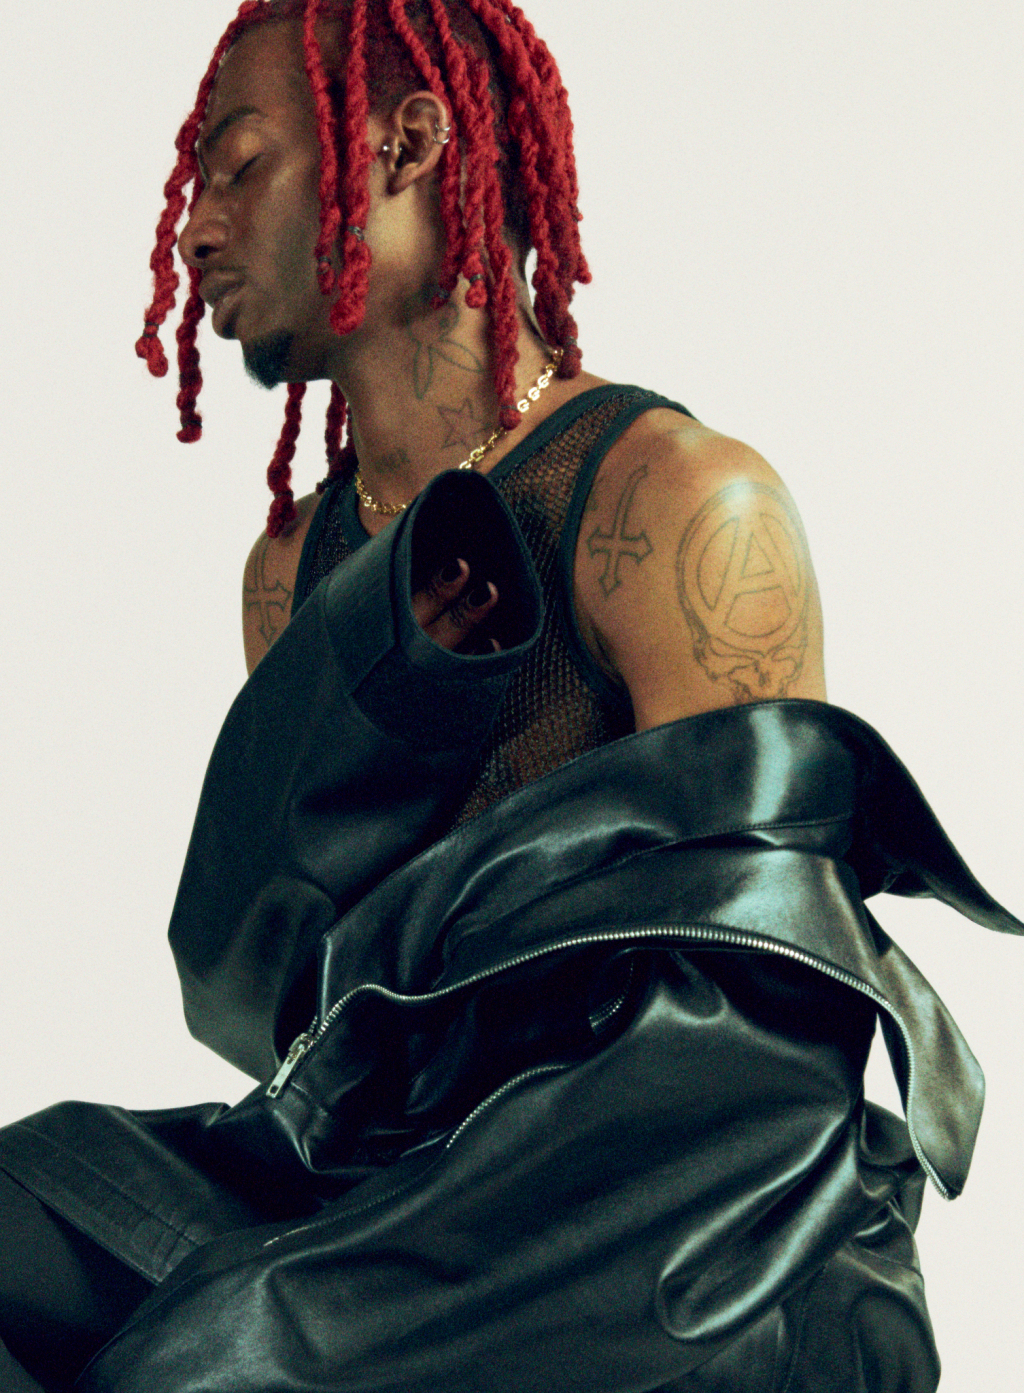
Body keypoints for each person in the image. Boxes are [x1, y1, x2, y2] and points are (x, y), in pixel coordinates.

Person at [0, 2, 1018, 1390]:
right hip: (392, 1182)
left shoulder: (675, 504)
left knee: (198, 1360)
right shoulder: (296, 574)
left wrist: (316, 1297)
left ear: (409, 146)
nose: (196, 229)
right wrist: (375, 695)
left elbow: (759, 1071)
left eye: (239, 166)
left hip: (669, 1227)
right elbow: (276, 999)